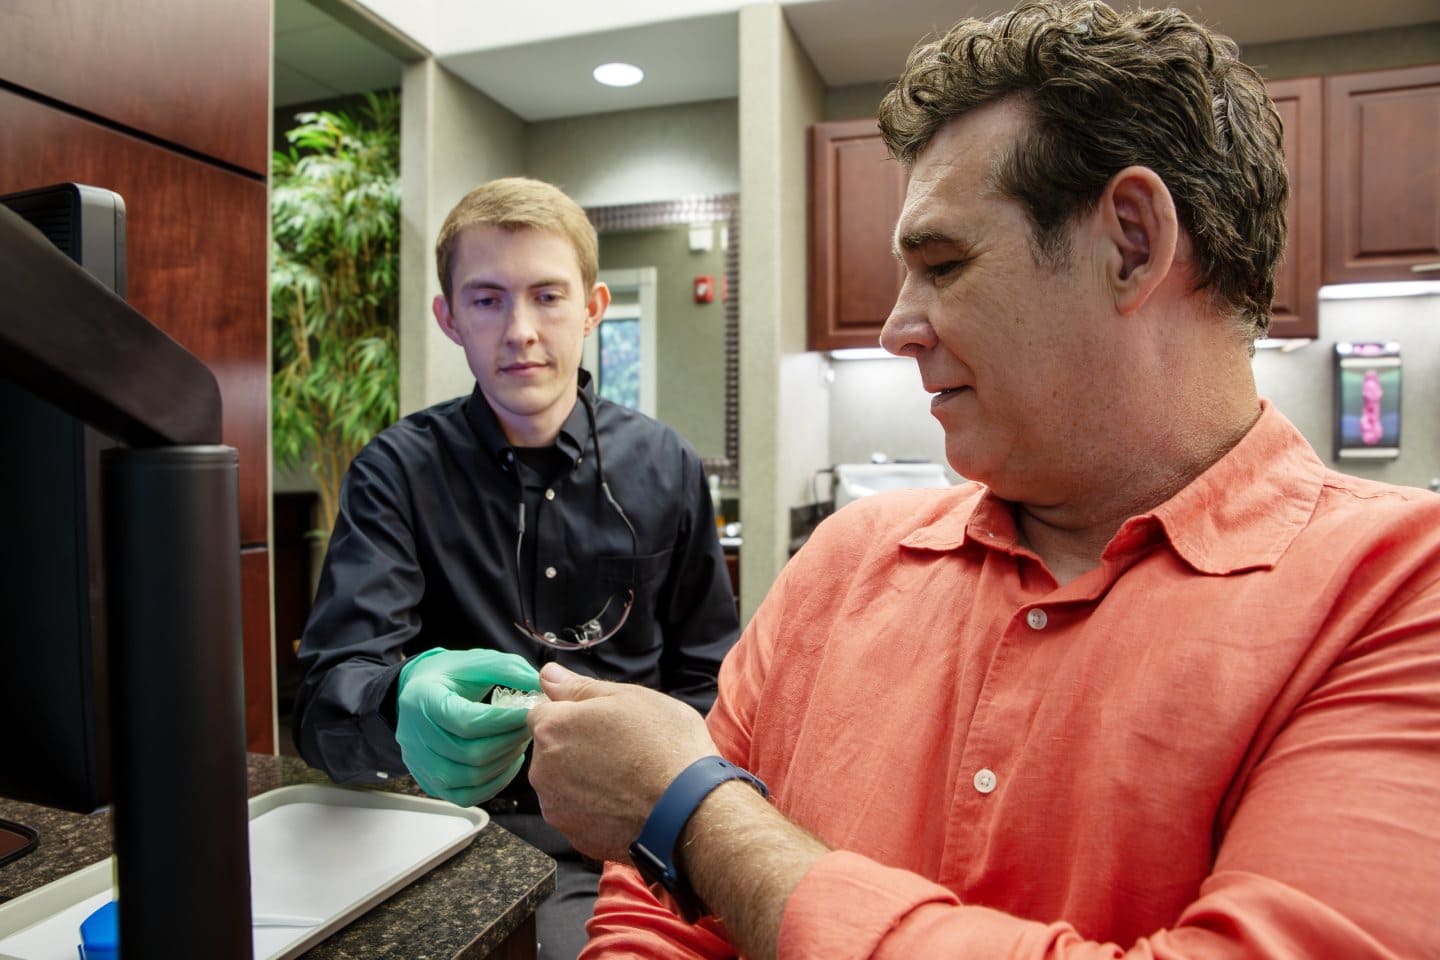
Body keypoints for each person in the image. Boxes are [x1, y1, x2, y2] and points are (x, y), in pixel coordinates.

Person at [522, 3, 1440, 958]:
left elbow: (687, 834)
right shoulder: (846, 564)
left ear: (1130, 241)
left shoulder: (1396, 594)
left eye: (944, 263)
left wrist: (702, 817)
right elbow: (653, 915)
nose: (896, 327)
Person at [291, 176, 741, 959]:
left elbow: (712, 677)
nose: (521, 330)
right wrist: (400, 704)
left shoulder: (665, 464)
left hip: (630, 838)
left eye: (547, 296)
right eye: (488, 299)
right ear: (449, 318)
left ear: (594, 307)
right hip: (448, 831)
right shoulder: (395, 472)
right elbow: (326, 702)